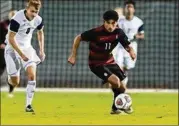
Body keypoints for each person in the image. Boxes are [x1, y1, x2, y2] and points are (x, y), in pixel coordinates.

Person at [68, 10, 136, 114]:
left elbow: (127, 45)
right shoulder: (96, 33)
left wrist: (131, 51)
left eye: (113, 23)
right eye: (108, 23)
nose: (110, 26)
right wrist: (73, 55)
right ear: (103, 22)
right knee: (115, 81)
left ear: (116, 22)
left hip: (110, 61)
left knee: (122, 88)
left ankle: (115, 107)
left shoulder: (119, 33)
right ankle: (119, 106)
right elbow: (78, 38)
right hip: (96, 63)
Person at [4, 0, 45, 112]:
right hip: (12, 49)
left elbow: (40, 32)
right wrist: (21, 55)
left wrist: (41, 50)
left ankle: (28, 105)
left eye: (36, 11)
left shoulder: (38, 19)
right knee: (15, 82)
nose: (34, 14)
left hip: (27, 49)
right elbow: (11, 38)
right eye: (32, 11)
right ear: (27, 8)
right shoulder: (17, 19)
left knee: (32, 75)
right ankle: (10, 78)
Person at [113, 0, 145, 84]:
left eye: (130, 7)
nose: (129, 9)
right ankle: (118, 87)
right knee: (119, 66)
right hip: (120, 47)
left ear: (134, 9)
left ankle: (123, 82)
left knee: (128, 67)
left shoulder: (139, 22)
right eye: (127, 7)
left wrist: (135, 36)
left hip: (132, 47)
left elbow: (142, 36)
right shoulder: (120, 20)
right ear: (125, 9)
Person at [0, 10, 17, 77]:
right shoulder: (3, 24)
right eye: (12, 14)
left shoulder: (20, 25)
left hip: (14, 49)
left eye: (15, 14)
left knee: (13, 68)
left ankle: (11, 86)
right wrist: (1, 43)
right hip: (3, 48)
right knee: (2, 65)